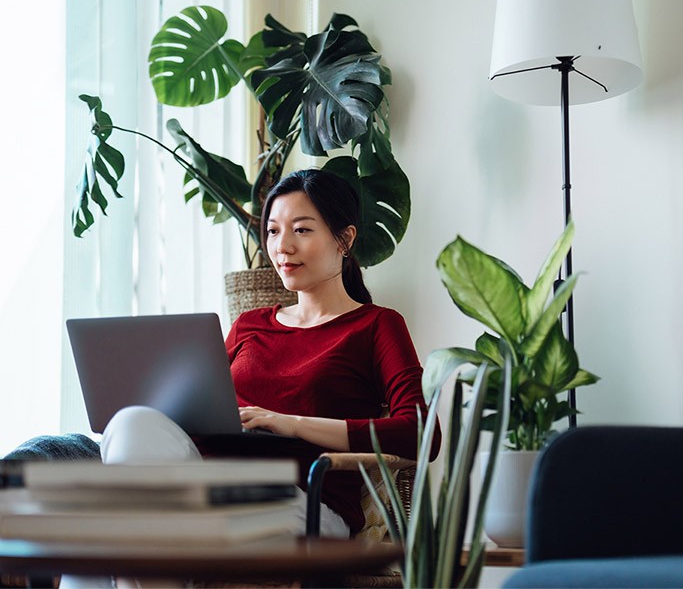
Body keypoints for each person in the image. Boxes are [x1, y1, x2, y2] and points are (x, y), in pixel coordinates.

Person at [98, 168, 441, 538]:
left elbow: (421, 432)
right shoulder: (249, 324)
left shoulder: (375, 326)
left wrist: (289, 422)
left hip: (302, 503)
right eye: (274, 230)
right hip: (206, 486)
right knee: (129, 425)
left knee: (119, 529)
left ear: (345, 239)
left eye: (302, 229)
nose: (282, 247)